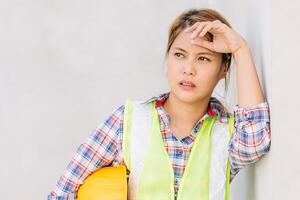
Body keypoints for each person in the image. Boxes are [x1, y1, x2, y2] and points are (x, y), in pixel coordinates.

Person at [47, 8, 271, 200]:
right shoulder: (127, 122)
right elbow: (62, 193)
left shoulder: (226, 134)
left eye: (203, 58)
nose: (188, 69)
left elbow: (257, 139)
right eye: (179, 55)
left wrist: (241, 50)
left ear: (224, 69)